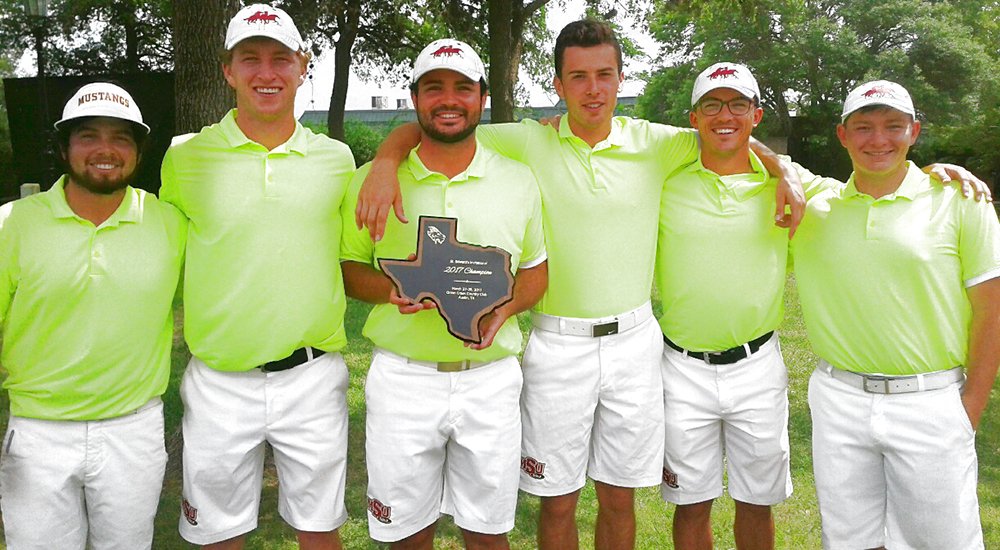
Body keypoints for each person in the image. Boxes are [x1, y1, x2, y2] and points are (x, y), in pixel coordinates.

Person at [355, 20, 805, 550]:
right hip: (557, 344)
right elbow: (439, 123)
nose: (593, 89)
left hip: (635, 343)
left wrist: (783, 170)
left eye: (604, 75)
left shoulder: (656, 143)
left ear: (619, 79)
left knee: (619, 497)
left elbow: (729, 133)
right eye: (579, 77)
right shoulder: (525, 139)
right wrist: (387, 158)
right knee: (558, 498)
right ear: (559, 84)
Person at [159, 4, 355, 548]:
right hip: (220, 381)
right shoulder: (186, 159)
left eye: (280, 59)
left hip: (312, 379)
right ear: (228, 71)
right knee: (220, 536)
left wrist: (386, 156)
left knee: (320, 531)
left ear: (302, 66)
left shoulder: (337, 160)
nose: (265, 73)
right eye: (250, 60)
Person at [341, 38, 547, 549]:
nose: (448, 99)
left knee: (487, 533)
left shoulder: (518, 181)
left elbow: (537, 275)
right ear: (415, 98)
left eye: (462, 88)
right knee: (408, 534)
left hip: (490, 380)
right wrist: (394, 291)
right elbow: (349, 270)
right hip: (403, 379)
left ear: (481, 98)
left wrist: (506, 309)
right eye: (434, 88)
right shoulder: (372, 180)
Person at [791, 80, 1000, 549]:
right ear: (842, 136)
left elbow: (993, 309)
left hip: (930, 401)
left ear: (914, 132)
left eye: (893, 126)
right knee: (848, 541)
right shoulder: (818, 205)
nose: (878, 139)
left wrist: (969, 410)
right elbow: (737, 141)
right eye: (863, 127)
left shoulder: (962, 200)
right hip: (838, 399)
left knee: (943, 541)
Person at [0, 82, 185, 549]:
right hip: (38, 434)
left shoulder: (170, 223)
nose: (106, 150)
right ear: (64, 149)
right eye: (88, 136)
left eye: (121, 138)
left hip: (133, 429)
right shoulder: (12, 224)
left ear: (139, 153)